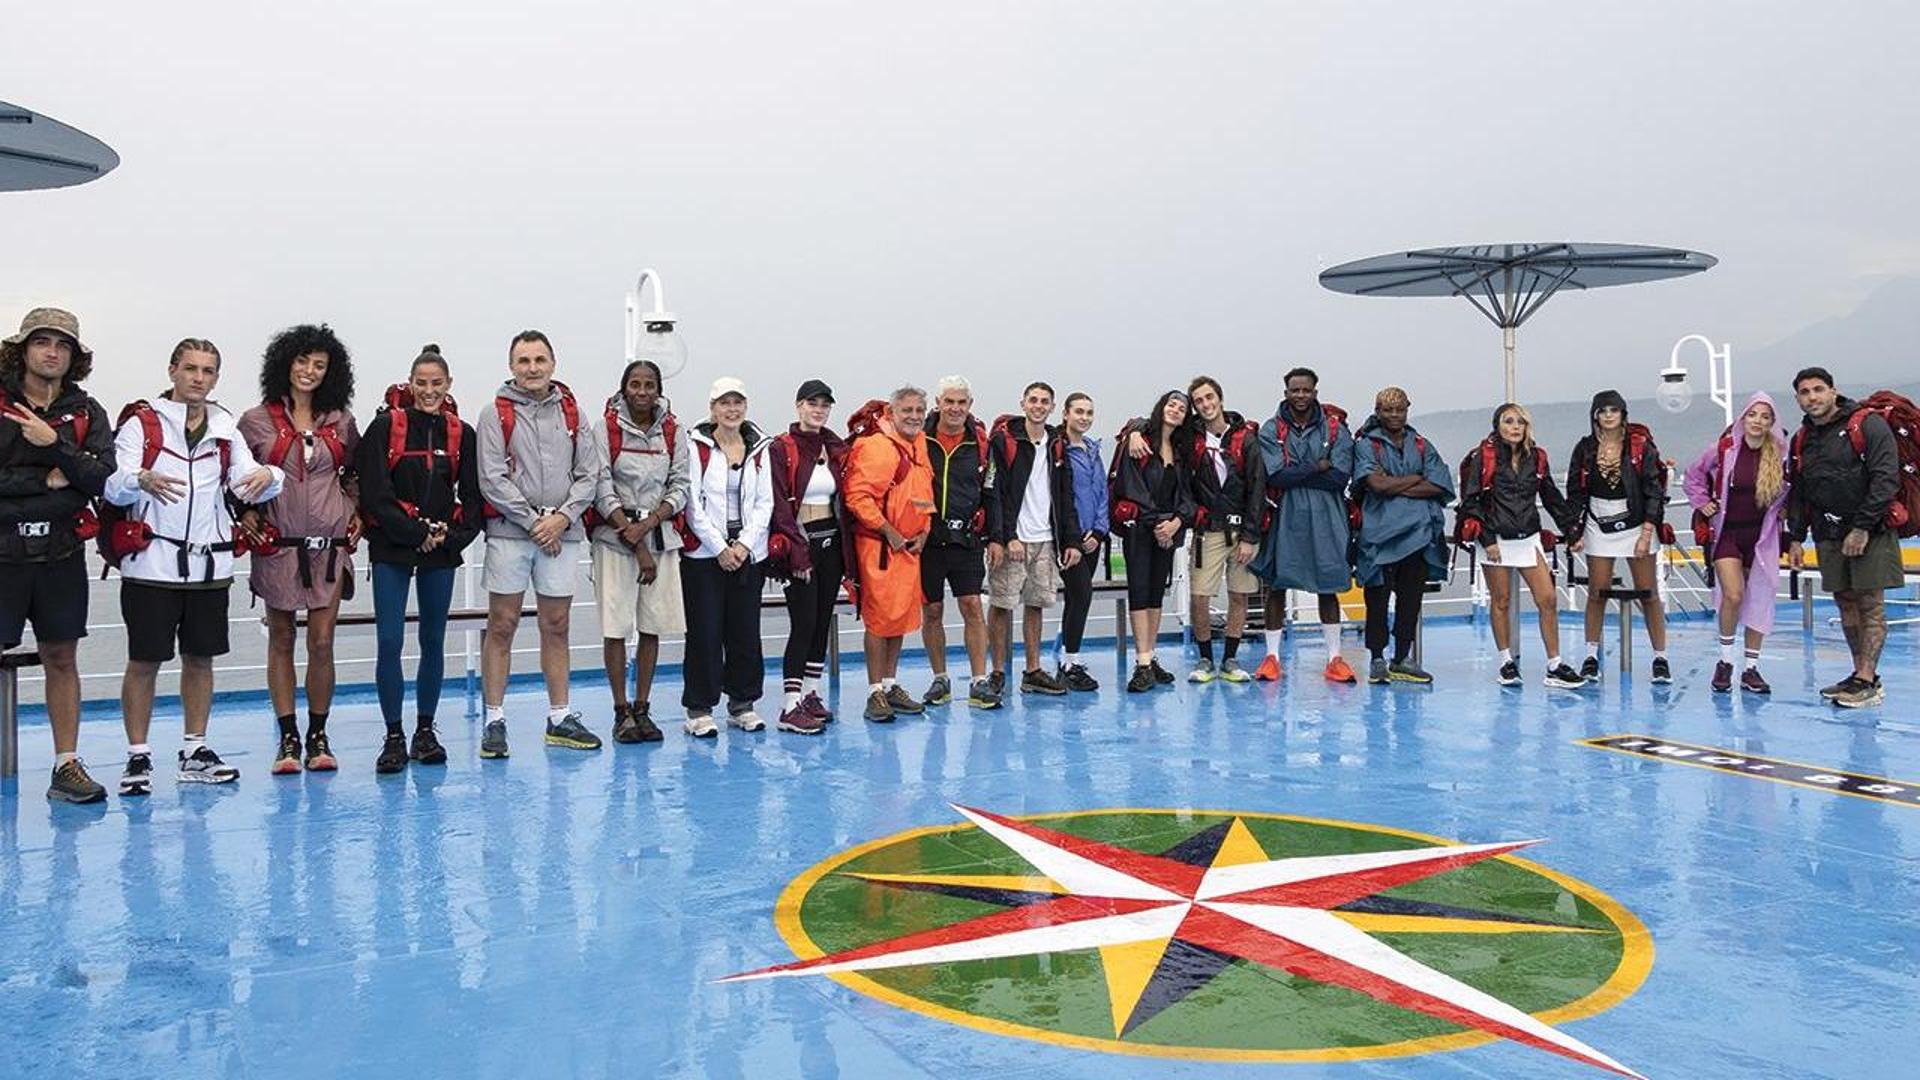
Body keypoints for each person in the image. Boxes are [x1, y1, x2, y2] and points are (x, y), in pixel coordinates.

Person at [102, 338, 283, 793]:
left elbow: (248, 481)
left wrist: (271, 476)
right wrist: (140, 478)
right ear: (172, 371)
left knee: (200, 659)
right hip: (151, 566)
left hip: (209, 567)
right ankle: (138, 757)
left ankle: (195, 750)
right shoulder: (142, 425)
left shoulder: (225, 428)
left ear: (216, 378)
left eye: (207, 370)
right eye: (190, 368)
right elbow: (114, 485)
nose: (198, 378)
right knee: (144, 660)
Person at [236, 325, 362, 775]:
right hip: (278, 546)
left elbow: (355, 473)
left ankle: (318, 734)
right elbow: (235, 478)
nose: (309, 371)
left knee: (322, 642)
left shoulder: (341, 421)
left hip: (329, 549)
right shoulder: (255, 421)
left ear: (331, 371)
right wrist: (245, 514)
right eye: (302, 361)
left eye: (320, 365)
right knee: (282, 638)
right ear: (285, 363)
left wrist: (355, 509)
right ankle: (287, 736)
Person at [0, 308, 114, 803]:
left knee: (62, 657)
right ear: (22, 349)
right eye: (42, 342)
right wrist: (43, 481)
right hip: (3, 553)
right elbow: (71, 484)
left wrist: (56, 445)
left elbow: (101, 480)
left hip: (60, 554)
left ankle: (66, 766)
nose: (52, 352)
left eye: (62, 344)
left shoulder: (87, 411)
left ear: (74, 356)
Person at [358, 345, 486, 772]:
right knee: (390, 641)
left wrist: (451, 539)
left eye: (437, 383)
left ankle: (425, 731)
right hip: (393, 546)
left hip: (440, 550)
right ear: (410, 384)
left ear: (449, 385)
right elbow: (375, 494)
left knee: (432, 640)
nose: (429, 391)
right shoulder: (385, 427)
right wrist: (417, 533)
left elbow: (473, 498)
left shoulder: (462, 434)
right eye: (421, 383)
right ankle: (393, 736)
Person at [475, 330, 601, 757]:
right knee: (502, 624)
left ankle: (559, 717)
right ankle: (494, 720)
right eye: (524, 360)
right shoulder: (494, 413)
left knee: (557, 624)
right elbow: (492, 478)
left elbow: (588, 473)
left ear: (553, 363)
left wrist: (562, 518)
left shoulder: (573, 412)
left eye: (539, 359)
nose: (532, 368)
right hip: (512, 533)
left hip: (562, 534)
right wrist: (535, 523)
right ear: (511, 366)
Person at [1786, 367, 1903, 709]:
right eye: (1805, 392)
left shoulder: (1867, 425)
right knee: (1846, 602)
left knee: (1870, 604)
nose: (1812, 397)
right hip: (1828, 533)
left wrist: (1863, 527)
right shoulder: (1802, 439)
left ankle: (1867, 679)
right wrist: (1796, 538)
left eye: (1818, 389)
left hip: (1871, 532)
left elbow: (1886, 478)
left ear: (1833, 391)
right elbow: (1800, 492)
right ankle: (1859, 674)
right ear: (1798, 399)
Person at [589, 359, 689, 744]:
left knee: (652, 625)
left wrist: (647, 527)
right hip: (614, 538)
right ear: (624, 387)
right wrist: (632, 536)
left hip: (659, 536)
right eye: (635, 384)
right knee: (615, 627)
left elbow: (680, 485)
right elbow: (601, 485)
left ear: (659, 390)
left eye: (649, 385)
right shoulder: (605, 429)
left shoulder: (673, 431)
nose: (642, 392)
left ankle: (643, 708)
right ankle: (621, 711)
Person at [1455, 403, 1585, 689]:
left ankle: (1554, 665)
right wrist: (1487, 540)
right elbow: (1471, 500)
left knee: (1548, 598)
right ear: (1497, 426)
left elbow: (1551, 497)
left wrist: (1572, 530)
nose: (1515, 427)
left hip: (1528, 537)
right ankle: (1506, 662)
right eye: (1509, 421)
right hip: (1495, 539)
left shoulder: (1536, 457)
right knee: (1501, 601)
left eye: (1520, 422)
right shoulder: (1484, 457)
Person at [679, 377, 776, 736]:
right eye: (724, 403)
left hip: (748, 555)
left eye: (737, 403)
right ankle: (699, 708)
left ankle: (742, 704)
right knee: (704, 632)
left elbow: (765, 502)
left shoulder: (760, 448)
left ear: (745, 406)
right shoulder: (695, 447)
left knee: (745, 632)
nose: (731, 409)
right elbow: (691, 501)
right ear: (713, 408)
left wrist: (744, 545)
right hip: (705, 557)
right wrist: (719, 547)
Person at [1248, 368, 1357, 684]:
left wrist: (1300, 471)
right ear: (1286, 393)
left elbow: (1339, 477)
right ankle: (1272, 657)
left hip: (1328, 517)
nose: (1300, 395)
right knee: (1277, 583)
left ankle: (1334, 658)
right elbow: (1276, 476)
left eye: (1305, 390)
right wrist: (1318, 466)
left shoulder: (1335, 428)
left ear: (1315, 392)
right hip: (1286, 515)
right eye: (1294, 390)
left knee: (1328, 583)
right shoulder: (1272, 429)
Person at [1683, 392, 1789, 694]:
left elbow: (1794, 490)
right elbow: (1693, 476)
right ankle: (1725, 661)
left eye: (1765, 417)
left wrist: (1787, 509)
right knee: (1733, 595)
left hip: (1762, 538)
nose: (1758, 421)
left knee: (1760, 598)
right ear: (1743, 418)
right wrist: (1702, 502)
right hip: (1728, 534)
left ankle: (1751, 668)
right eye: (1752, 415)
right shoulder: (1724, 450)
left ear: (1772, 422)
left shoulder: (1780, 455)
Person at [1565, 390, 1671, 684]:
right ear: (1595, 416)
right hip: (1598, 521)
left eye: (1614, 410)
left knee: (1648, 592)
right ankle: (1590, 657)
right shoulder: (1585, 448)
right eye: (1603, 410)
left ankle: (1660, 658)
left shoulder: (1640, 446)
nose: (1608, 415)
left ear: (1623, 413)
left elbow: (1653, 490)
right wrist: (1574, 530)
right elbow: (1575, 491)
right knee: (1597, 591)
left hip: (1636, 521)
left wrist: (1647, 532)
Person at [1351, 387, 1453, 685]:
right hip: (1378, 537)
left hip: (1419, 537)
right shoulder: (1367, 445)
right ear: (1377, 411)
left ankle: (1402, 658)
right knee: (1377, 600)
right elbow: (1375, 485)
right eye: (1388, 410)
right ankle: (1377, 658)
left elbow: (1440, 485)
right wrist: (1416, 479)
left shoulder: (1420, 444)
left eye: (1400, 409)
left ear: (1408, 409)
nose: (1394, 415)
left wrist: (1394, 484)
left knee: (1411, 600)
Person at [984, 382, 1081, 696]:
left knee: (1036, 604)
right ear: (1023, 403)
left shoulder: (1057, 444)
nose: (1038, 406)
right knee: (1001, 604)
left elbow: (1065, 495)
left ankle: (1033, 670)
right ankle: (997, 672)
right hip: (1013, 540)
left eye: (1044, 401)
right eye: (1033, 400)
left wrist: (1071, 540)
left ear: (1052, 408)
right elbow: (993, 491)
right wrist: (1004, 537)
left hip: (1046, 539)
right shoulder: (1004, 441)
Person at [846, 387, 936, 722]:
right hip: (880, 548)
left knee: (898, 616)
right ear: (891, 413)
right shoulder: (877, 446)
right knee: (879, 618)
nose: (914, 416)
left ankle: (890, 683)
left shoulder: (920, 444)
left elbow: (923, 493)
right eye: (906, 410)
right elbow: (858, 497)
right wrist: (890, 532)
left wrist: (924, 531)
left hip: (909, 549)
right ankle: (874, 693)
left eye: (919, 410)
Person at [767, 379, 848, 735]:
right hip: (800, 544)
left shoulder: (834, 447)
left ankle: (811, 694)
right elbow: (778, 503)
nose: (818, 410)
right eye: (812, 403)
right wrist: (797, 553)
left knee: (821, 621)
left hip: (831, 542)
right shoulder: (782, 448)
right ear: (799, 406)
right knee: (802, 623)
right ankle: (790, 705)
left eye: (824, 405)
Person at [918, 376, 997, 709]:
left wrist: (996, 537)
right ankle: (941, 679)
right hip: (928, 540)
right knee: (932, 611)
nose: (954, 408)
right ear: (938, 403)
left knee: (972, 606)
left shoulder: (981, 443)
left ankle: (979, 681)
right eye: (948, 401)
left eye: (961, 402)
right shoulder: (919, 438)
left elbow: (992, 491)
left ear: (970, 405)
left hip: (967, 539)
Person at [1110, 390, 1194, 691]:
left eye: (1182, 408)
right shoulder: (1140, 441)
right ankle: (1142, 663)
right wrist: (1158, 523)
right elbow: (1131, 486)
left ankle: (1151, 655)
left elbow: (1188, 494)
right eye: (1172, 404)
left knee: (1157, 593)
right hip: (1140, 529)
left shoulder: (1181, 451)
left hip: (1167, 531)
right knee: (1140, 592)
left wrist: (1176, 522)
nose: (1175, 410)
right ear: (1162, 407)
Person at [1055, 392, 1107, 692]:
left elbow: (1102, 493)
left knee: (1076, 599)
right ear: (1066, 414)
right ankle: (1071, 662)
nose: (1084, 417)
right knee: (1082, 594)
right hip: (1070, 541)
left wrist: (1099, 531)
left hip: (1092, 539)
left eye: (1089, 412)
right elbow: (1061, 498)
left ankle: (1066, 660)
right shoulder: (1058, 450)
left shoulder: (1092, 450)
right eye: (1079, 411)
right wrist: (1072, 538)